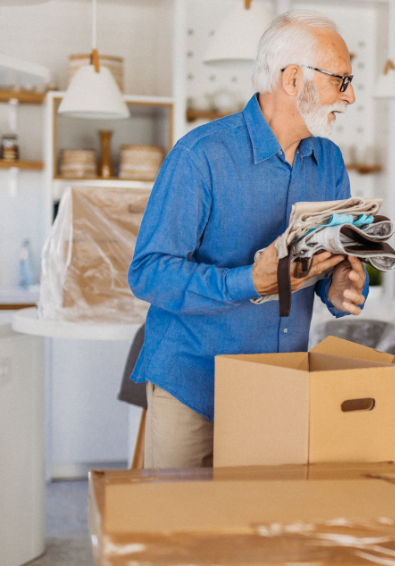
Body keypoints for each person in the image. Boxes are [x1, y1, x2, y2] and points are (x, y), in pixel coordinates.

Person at [128, 10, 367, 469]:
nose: (350, 96)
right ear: (294, 79)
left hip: (276, 385)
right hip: (193, 382)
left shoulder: (330, 161)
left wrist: (338, 287)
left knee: (259, 529)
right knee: (183, 529)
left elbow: (327, 261)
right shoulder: (201, 155)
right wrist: (249, 282)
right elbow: (148, 273)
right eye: (342, 80)